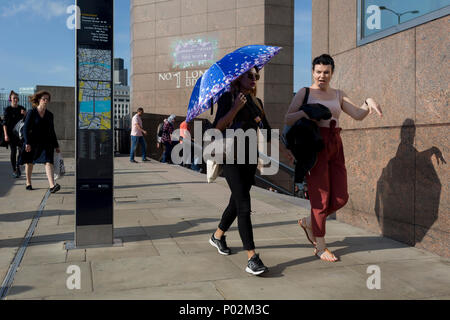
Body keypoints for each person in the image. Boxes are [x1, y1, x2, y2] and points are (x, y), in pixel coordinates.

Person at [285, 54, 383, 262]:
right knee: (320, 199)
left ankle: (309, 221)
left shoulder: (338, 94)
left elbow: (357, 114)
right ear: (313, 72)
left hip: (336, 144)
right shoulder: (304, 92)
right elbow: (288, 118)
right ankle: (320, 246)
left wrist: (368, 102)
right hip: (315, 146)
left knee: (340, 197)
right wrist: (306, 113)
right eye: (319, 72)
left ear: (332, 73)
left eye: (326, 72)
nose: (322, 76)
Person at [209, 67, 293, 276]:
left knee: (236, 203)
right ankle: (252, 258)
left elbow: (266, 130)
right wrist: (235, 108)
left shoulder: (257, 103)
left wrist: (286, 153)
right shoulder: (228, 99)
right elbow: (217, 127)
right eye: (249, 75)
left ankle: (217, 236)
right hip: (231, 158)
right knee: (244, 205)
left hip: (249, 159)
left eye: (256, 76)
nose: (254, 79)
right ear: (238, 77)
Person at [21, 91, 61, 193]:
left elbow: (52, 131)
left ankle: (52, 186)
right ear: (39, 100)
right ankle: (28, 182)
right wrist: (27, 143)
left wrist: (56, 145)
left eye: (47, 99)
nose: (46, 101)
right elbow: (25, 128)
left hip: (46, 142)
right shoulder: (32, 112)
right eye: (44, 99)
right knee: (29, 163)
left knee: (48, 162)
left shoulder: (49, 115)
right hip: (32, 142)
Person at [3, 90, 26, 178]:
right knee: (13, 151)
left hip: (20, 135)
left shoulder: (21, 108)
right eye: (14, 98)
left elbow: (26, 120)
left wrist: (25, 114)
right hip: (11, 135)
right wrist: (6, 135)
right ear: (10, 99)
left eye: (17, 98)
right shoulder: (7, 110)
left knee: (21, 151)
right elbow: (4, 124)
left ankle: (18, 165)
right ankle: (14, 170)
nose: (16, 99)